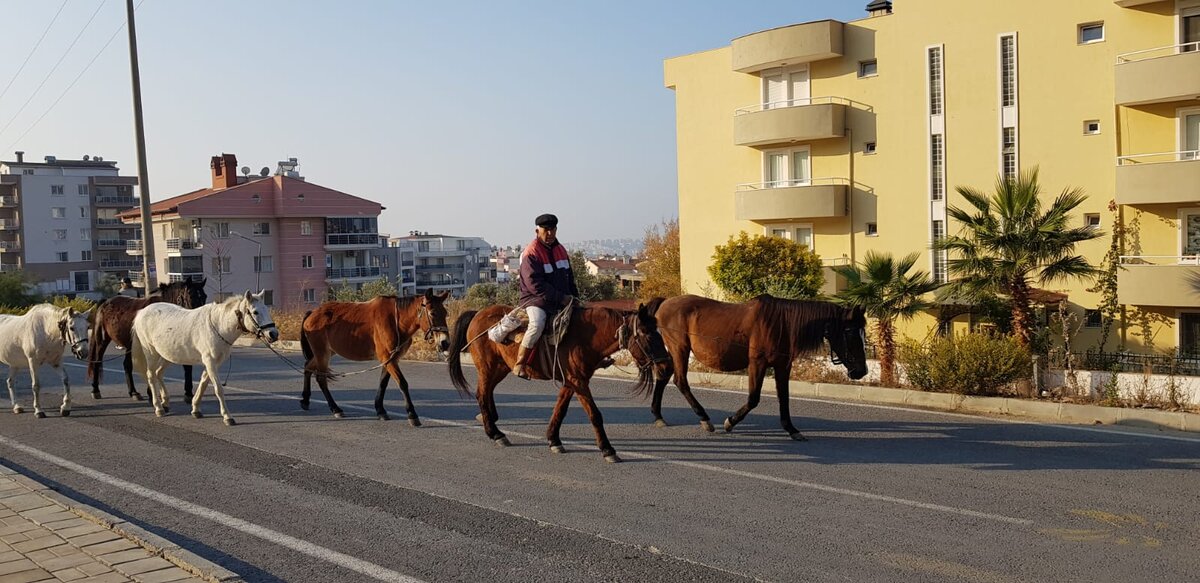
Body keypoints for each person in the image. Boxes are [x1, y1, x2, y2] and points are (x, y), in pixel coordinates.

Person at [513, 213, 578, 379]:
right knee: (537, 324)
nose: (550, 233)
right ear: (537, 230)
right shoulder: (530, 252)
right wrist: (561, 298)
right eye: (546, 230)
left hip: (560, 299)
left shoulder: (560, 250)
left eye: (553, 229)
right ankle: (520, 363)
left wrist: (574, 297)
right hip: (535, 300)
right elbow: (534, 285)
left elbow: (569, 277)